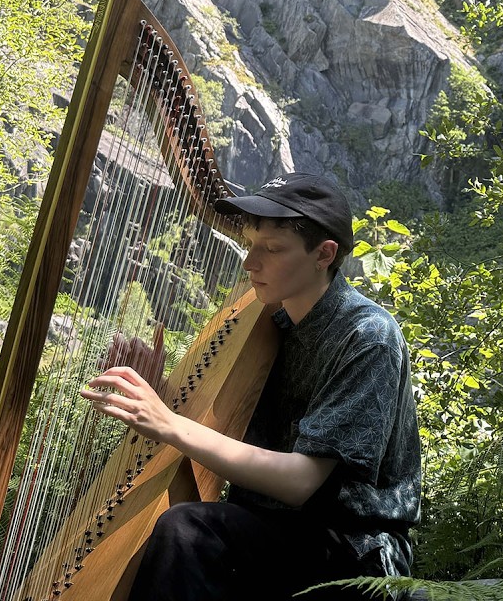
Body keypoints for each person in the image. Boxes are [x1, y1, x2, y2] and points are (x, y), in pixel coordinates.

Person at [79, 172, 421, 600]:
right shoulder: (271, 324)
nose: (250, 263)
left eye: (272, 250)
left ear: (324, 253)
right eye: (250, 244)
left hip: (352, 552)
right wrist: (160, 393)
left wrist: (168, 422)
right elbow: (226, 426)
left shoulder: (368, 336)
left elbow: (300, 482)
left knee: (186, 530)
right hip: (272, 531)